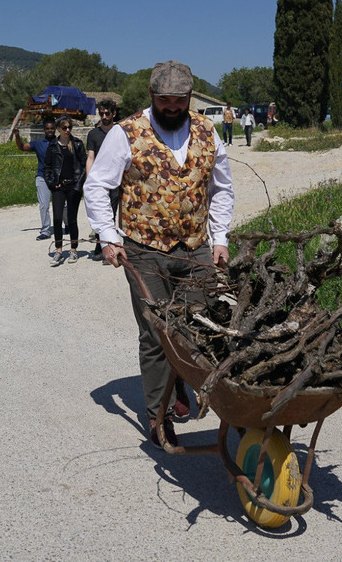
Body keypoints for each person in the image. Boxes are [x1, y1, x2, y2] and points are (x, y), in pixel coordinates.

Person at [84, 60, 234, 448]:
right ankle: (158, 413)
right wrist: (108, 237)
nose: (172, 108)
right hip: (143, 248)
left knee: (199, 324)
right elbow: (97, 186)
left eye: (179, 101)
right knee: (156, 332)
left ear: (189, 97)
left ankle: (185, 381)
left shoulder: (208, 131)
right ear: (152, 95)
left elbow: (221, 189)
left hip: (195, 247)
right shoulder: (126, 133)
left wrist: (219, 239)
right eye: (165, 100)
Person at [45, 115, 87, 265]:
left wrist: (78, 186)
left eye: (70, 127)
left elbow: (84, 166)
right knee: (57, 219)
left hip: (73, 186)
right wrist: (52, 183)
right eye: (64, 128)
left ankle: (73, 250)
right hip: (59, 187)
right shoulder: (52, 146)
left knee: (71, 219)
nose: (67, 130)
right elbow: (47, 168)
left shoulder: (77, 144)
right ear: (58, 129)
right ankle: (58, 250)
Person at [85, 99, 120, 262]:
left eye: (107, 113)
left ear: (114, 114)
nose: (104, 116)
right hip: (99, 180)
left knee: (111, 214)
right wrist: (89, 180)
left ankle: (109, 248)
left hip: (117, 180)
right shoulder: (93, 134)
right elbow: (90, 158)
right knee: (101, 213)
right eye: (102, 113)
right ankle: (101, 247)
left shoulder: (120, 133)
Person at [11, 117, 56, 240]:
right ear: (44, 130)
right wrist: (17, 136)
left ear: (55, 129)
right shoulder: (38, 143)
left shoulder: (60, 142)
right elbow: (22, 147)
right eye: (47, 129)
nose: (50, 130)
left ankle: (67, 225)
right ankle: (45, 230)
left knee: (63, 205)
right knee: (44, 205)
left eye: (52, 128)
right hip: (42, 177)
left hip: (58, 178)